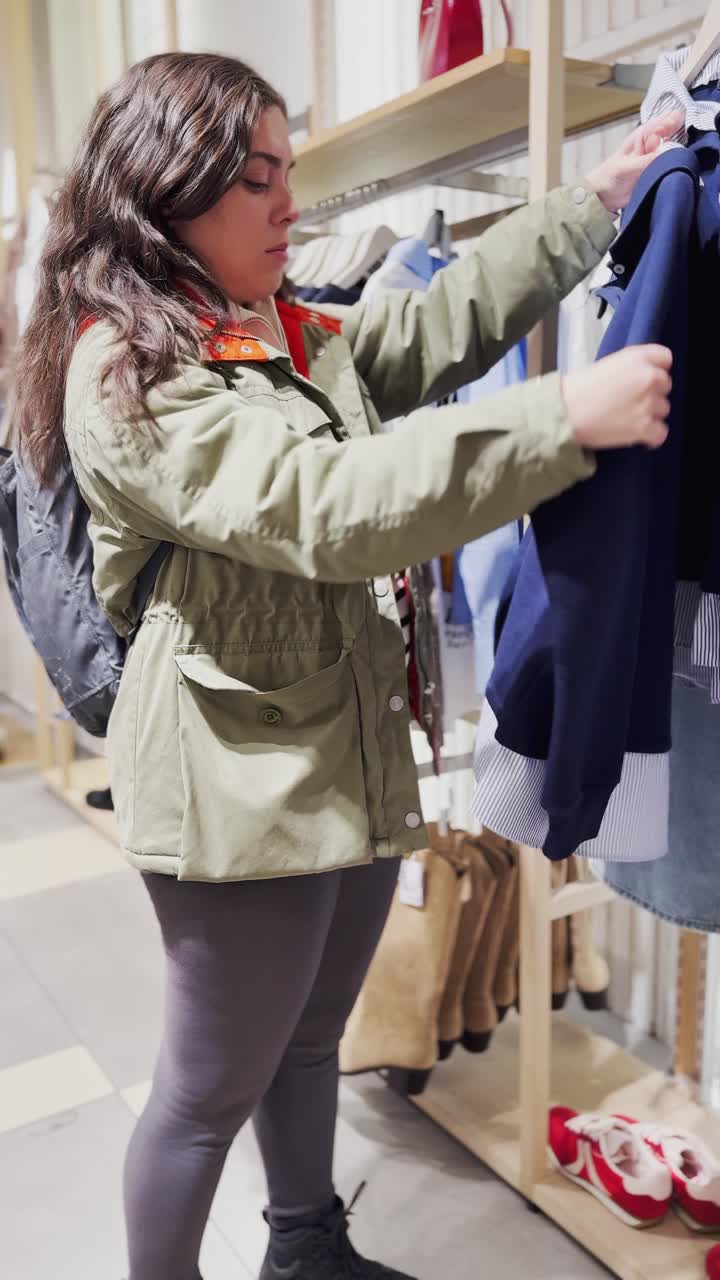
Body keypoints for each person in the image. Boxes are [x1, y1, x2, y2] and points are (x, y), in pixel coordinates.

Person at [12, 52, 679, 1280]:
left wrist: (596, 204)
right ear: (168, 187)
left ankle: (306, 1246)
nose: (288, 206)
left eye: (288, 173)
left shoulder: (275, 322)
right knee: (209, 1087)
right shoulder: (126, 370)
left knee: (314, 1035)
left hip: (345, 743)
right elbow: (325, 503)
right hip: (230, 783)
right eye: (253, 178)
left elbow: (426, 325)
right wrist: (555, 420)